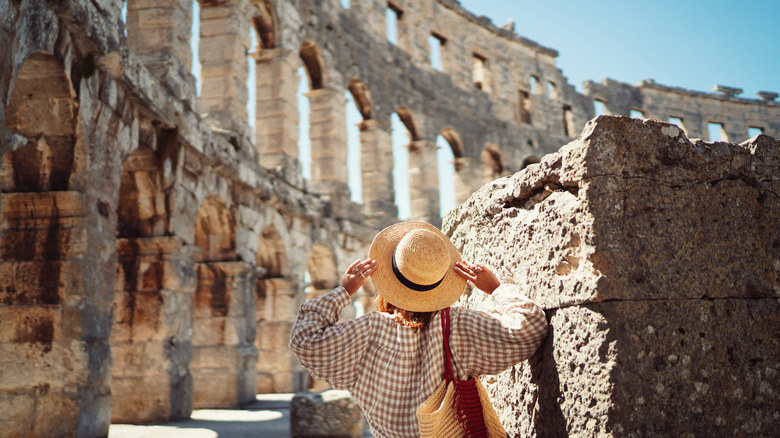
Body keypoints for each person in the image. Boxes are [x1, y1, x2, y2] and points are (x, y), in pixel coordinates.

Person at [289, 221, 548, 437]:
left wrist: (344, 291)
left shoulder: (369, 329)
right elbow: (530, 329)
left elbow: (304, 340)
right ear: (442, 277)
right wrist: (496, 289)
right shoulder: (460, 324)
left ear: (391, 275)